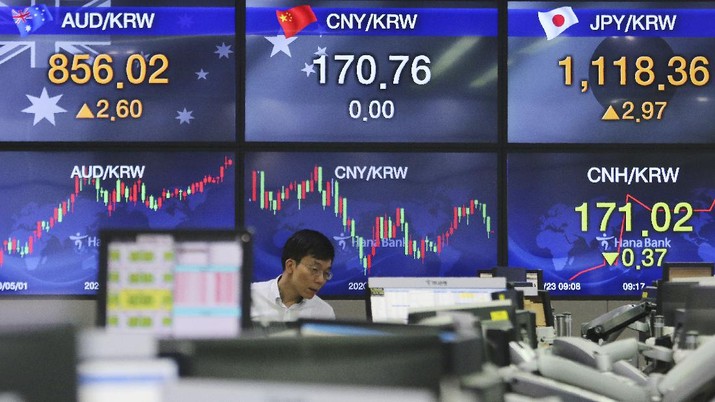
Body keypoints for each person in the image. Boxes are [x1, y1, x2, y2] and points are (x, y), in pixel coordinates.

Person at [251, 229, 336, 323]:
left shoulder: (324, 313)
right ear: (290, 266)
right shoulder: (250, 296)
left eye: (326, 273)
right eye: (315, 269)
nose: (321, 280)